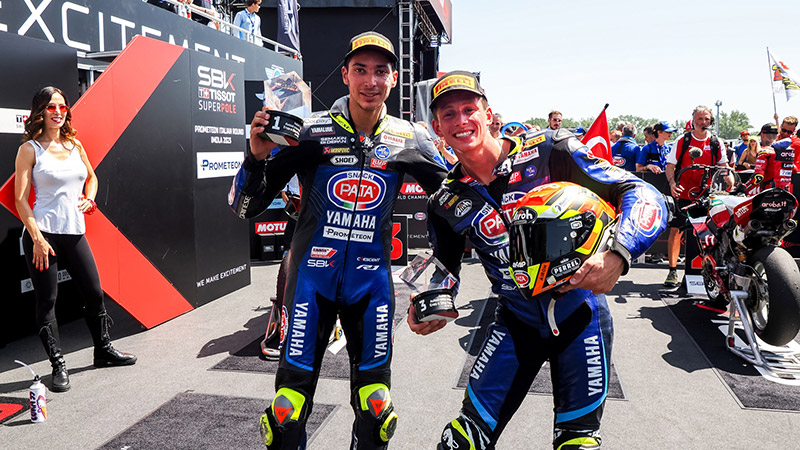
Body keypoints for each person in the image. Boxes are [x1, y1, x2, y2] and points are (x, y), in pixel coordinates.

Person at [411, 71, 667, 450]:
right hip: (515, 322)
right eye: (449, 114)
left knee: (578, 444)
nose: (461, 121)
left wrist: (619, 253)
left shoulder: (550, 149)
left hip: (581, 316)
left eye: (469, 109)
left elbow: (641, 191)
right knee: (462, 441)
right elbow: (443, 270)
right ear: (437, 127)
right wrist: (429, 302)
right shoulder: (444, 200)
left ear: (488, 114)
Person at [228, 31, 448, 450]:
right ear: (345, 74)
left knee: (376, 410)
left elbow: (455, 204)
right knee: (286, 412)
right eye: (360, 70)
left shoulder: (410, 137)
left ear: (394, 78)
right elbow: (244, 207)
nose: (370, 81)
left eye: (380, 71)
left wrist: (441, 281)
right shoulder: (308, 131)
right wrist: (254, 158)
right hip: (311, 285)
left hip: (372, 289)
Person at [13, 87, 137, 393]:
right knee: (48, 301)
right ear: (40, 112)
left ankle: (103, 351)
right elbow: (20, 200)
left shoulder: (74, 144)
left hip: (74, 231)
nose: (57, 112)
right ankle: (58, 364)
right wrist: (37, 238)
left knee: (94, 294)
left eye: (62, 106)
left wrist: (90, 199)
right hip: (43, 235)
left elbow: (91, 178)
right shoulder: (30, 149)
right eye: (51, 107)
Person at [663, 105, 728, 288]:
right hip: (683, 192)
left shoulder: (716, 142)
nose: (703, 122)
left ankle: (708, 272)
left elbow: (724, 168)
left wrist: (732, 182)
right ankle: (672, 270)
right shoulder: (682, 140)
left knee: (708, 234)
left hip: (707, 195)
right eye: (700, 119)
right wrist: (672, 184)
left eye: (707, 119)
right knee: (676, 230)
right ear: (693, 120)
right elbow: (670, 166)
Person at [745, 123, 794, 195]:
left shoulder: (765, 152)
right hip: (787, 194)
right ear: (776, 135)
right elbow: (794, 170)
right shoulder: (788, 151)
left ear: (762, 135)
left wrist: (744, 188)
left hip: (769, 194)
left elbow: (758, 176)